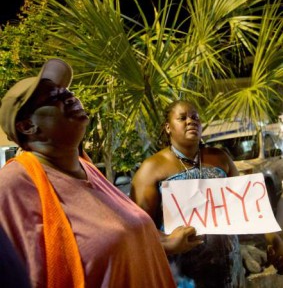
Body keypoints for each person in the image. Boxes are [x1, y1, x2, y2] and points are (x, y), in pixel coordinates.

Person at [0, 58, 177, 288]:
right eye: (53, 97)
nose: (69, 96)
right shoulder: (13, 185)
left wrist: (169, 243)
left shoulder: (87, 169)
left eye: (66, 90)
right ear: (27, 126)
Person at [130, 100, 283, 288]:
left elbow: (250, 207)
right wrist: (169, 243)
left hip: (228, 269)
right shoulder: (151, 169)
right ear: (168, 127)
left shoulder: (220, 158)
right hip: (183, 277)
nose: (191, 121)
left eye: (195, 117)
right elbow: (140, 231)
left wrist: (272, 236)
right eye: (182, 117)